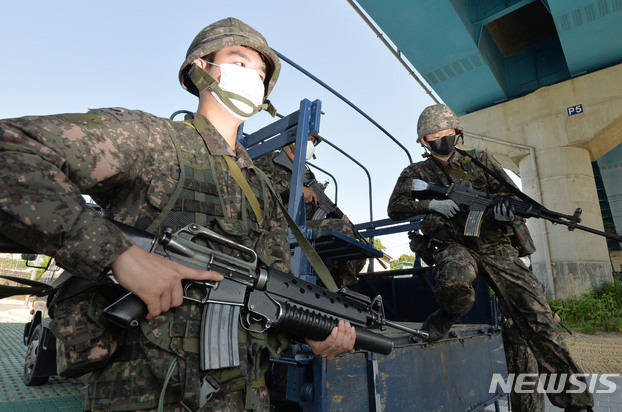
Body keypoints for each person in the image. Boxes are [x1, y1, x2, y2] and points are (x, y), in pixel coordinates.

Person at [0, 17, 355, 411]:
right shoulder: (151, 141)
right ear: (201, 69)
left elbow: (266, 295)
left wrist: (312, 332)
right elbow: (12, 151)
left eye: (261, 72)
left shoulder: (263, 189)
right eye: (240, 62)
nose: (252, 76)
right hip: (145, 396)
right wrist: (119, 256)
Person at [386, 104, 593, 412]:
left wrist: (505, 208)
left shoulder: (480, 162)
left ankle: (576, 402)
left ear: (457, 133)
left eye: (446, 134)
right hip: (454, 244)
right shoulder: (417, 173)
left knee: (539, 319)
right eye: (433, 136)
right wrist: (432, 204)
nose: (440, 140)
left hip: (496, 246)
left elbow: (510, 194)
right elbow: (396, 206)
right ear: (423, 142)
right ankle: (447, 315)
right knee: (455, 282)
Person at [254, 136, 366, 290]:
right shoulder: (270, 159)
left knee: (356, 246)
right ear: (292, 138)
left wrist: (335, 217)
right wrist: (295, 189)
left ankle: (340, 288)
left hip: (304, 224)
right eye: (309, 138)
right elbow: (257, 184)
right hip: (279, 221)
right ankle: (339, 290)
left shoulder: (307, 174)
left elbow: (314, 210)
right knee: (343, 230)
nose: (311, 144)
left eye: (313, 142)